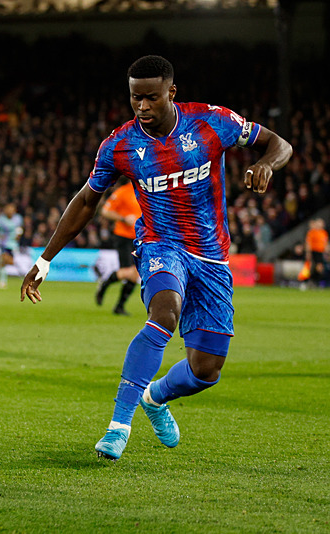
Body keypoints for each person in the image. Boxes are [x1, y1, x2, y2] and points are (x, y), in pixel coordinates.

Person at [20, 55, 292, 461]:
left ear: (171, 93)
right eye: (135, 99)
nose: (142, 107)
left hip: (212, 255)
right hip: (160, 245)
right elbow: (85, 202)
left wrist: (266, 163)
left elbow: (279, 143)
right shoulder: (120, 144)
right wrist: (45, 259)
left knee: (206, 369)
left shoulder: (211, 122)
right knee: (164, 313)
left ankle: (154, 397)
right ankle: (118, 426)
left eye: (151, 98)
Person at [94, 178, 142, 315]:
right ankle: (105, 285)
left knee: (134, 273)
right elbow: (105, 211)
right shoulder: (123, 192)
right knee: (129, 271)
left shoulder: (146, 191)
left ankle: (119, 306)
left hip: (140, 238)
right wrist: (123, 218)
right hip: (124, 237)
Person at [0, 203, 23, 289]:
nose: (10, 211)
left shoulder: (18, 218)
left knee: (5, 261)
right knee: (2, 261)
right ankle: (3, 281)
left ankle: (21, 273)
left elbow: (19, 230)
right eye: (8, 209)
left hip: (13, 244)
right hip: (2, 244)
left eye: (12, 209)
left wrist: (18, 236)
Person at [304, 218, 328, 287]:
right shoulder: (312, 232)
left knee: (319, 269)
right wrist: (308, 253)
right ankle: (309, 281)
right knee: (315, 267)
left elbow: (325, 243)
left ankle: (313, 281)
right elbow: (308, 243)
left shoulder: (324, 233)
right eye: (319, 223)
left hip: (321, 252)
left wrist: (326, 252)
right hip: (314, 251)